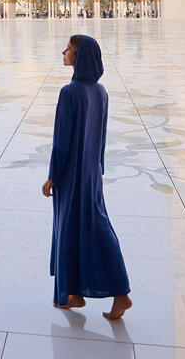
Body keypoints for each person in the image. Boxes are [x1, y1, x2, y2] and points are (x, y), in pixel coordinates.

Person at [43, 35, 132, 319]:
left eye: (68, 49)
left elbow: (61, 142)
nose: (63, 52)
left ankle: (120, 292)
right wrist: (97, 168)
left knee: (84, 229)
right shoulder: (100, 91)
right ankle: (74, 293)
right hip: (91, 171)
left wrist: (53, 175)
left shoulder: (70, 93)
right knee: (87, 227)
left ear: (79, 57)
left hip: (72, 174)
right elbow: (102, 137)